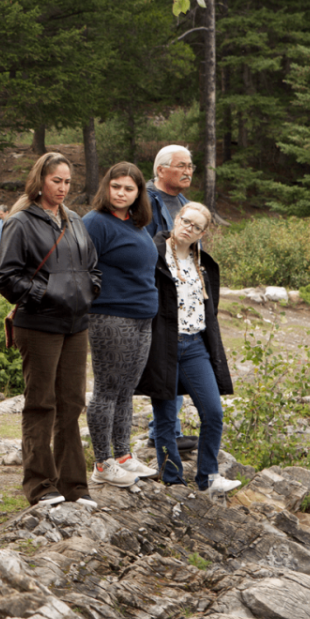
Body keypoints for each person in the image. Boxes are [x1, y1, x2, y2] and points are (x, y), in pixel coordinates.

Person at [0, 153, 102, 508]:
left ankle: (75, 486)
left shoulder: (74, 220)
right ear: (40, 181)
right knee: (41, 404)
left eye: (68, 181)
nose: (63, 188)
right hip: (38, 324)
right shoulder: (20, 222)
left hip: (76, 325)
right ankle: (41, 485)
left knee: (71, 405)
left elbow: (92, 266)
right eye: (56, 180)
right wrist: (47, 295)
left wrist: (89, 292)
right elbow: (5, 277)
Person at [136, 203, 241, 495]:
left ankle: (208, 477)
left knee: (213, 411)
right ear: (176, 219)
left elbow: (210, 307)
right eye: (185, 221)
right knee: (166, 417)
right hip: (162, 346)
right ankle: (172, 479)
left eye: (196, 227)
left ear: (202, 233)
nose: (188, 228)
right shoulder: (152, 253)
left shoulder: (202, 261)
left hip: (195, 345)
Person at [81, 163, 159, 489]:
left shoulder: (136, 224)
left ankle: (124, 456)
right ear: (106, 188)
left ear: (139, 193)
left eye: (129, 188)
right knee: (107, 390)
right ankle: (102, 463)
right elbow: (81, 267)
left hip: (142, 317)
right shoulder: (95, 223)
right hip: (111, 317)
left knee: (127, 390)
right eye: (116, 187)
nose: (122, 193)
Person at [145, 144, 197, 452]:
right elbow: (142, 246)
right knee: (163, 361)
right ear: (161, 169)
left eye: (190, 166)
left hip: (182, 293)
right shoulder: (146, 201)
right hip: (155, 291)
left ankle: (166, 430)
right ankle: (163, 432)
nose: (188, 171)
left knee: (175, 359)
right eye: (181, 165)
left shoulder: (185, 203)